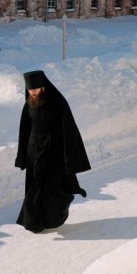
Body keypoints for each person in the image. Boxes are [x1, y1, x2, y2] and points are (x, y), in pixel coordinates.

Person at [15, 70, 90, 233]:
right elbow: (24, 130)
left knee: (52, 190)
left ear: (43, 87)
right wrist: (22, 156)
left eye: (36, 90)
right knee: (34, 189)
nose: (33, 93)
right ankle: (34, 221)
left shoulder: (57, 102)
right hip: (34, 153)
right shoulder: (29, 103)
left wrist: (69, 157)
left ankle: (51, 218)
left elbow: (68, 130)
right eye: (30, 90)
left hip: (54, 154)